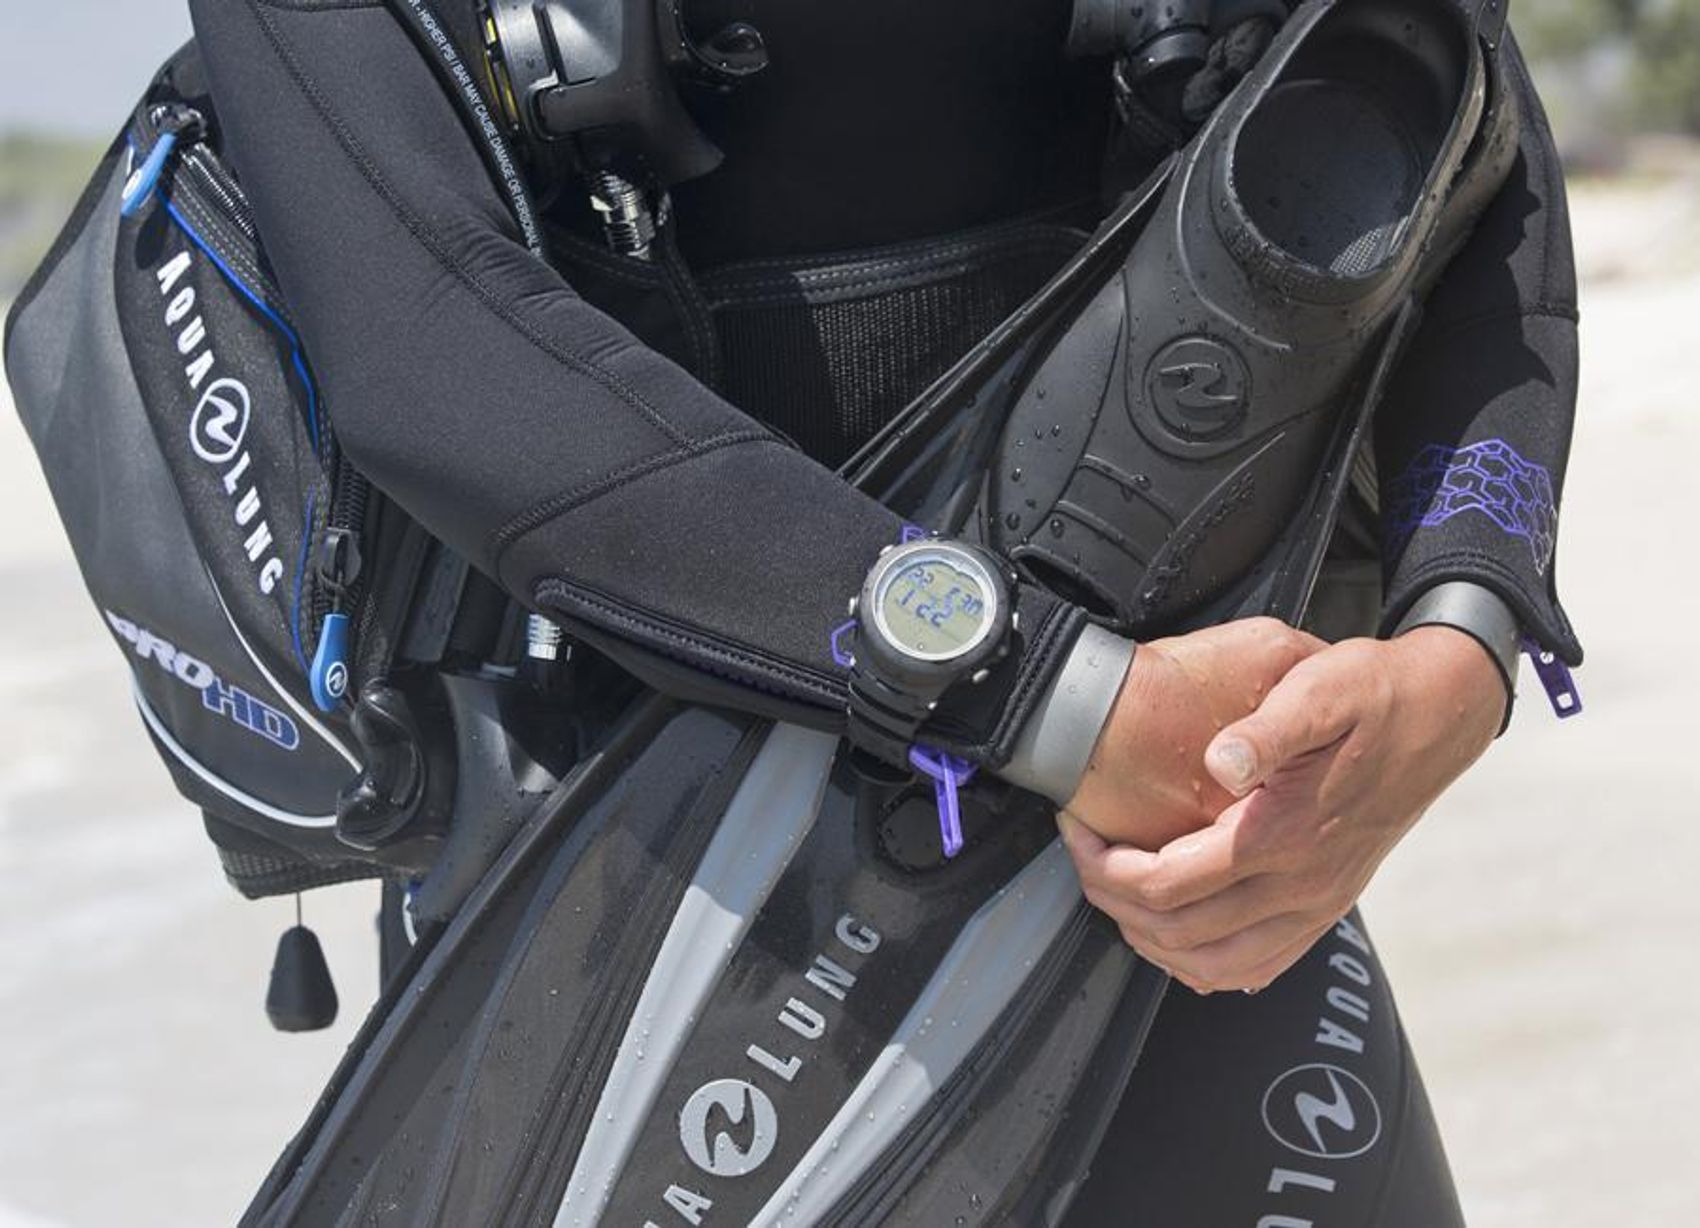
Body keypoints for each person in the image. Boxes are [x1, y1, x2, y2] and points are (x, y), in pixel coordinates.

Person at [186, 0, 1582, 1220]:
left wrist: (1460, 643)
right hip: (634, 883)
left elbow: (1454, 119)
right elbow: (428, 340)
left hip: (1175, 850)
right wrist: (1040, 695)